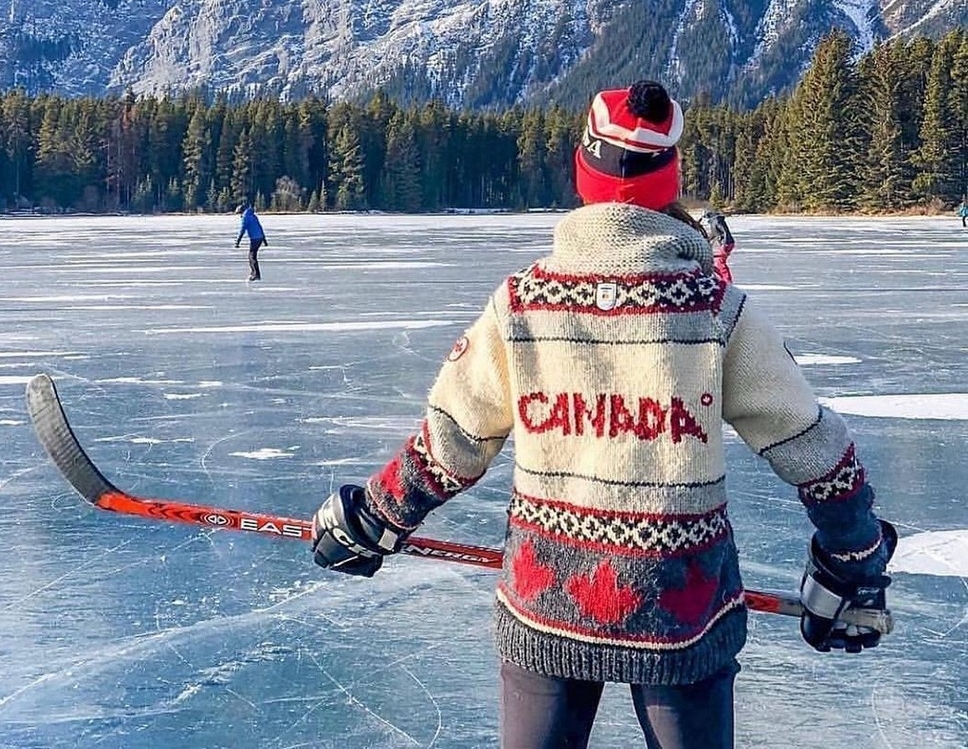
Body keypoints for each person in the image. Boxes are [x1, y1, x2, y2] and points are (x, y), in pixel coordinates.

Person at [311, 81, 895, 749]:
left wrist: (377, 519)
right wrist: (856, 561)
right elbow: (813, 448)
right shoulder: (715, 310)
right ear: (670, 179)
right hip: (681, 610)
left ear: (581, 172)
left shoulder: (521, 304)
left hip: (547, 600)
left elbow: (452, 442)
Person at [698, 207, 735, 283]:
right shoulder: (714, 221)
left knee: (720, 261)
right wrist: (706, 240)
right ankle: (721, 279)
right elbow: (714, 234)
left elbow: (725, 231)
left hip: (726, 243)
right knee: (717, 262)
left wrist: (725, 243)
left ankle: (727, 280)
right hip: (725, 243)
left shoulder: (717, 221)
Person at [234, 201, 267, 281]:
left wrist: (237, 241)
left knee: (251, 257)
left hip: (255, 238)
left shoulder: (245, 217)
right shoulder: (253, 215)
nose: (240, 216)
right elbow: (260, 227)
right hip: (259, 238)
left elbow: (242, 230)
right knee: (252, 256)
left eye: (239, 214)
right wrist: (264, 239)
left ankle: (255, 274)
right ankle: (255, 273)